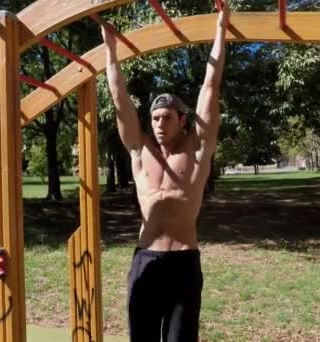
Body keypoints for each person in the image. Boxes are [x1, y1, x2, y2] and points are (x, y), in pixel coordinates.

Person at [101, 2, 230, 341]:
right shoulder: (140, 151)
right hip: (146, 259)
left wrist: (221, 26)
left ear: (182, 120)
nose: (159, 124)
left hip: (184, 263)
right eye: (155, 118)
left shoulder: (198, 150)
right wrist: (110, 50)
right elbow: (119, 97)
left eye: (167, 118)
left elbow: (210, 87)